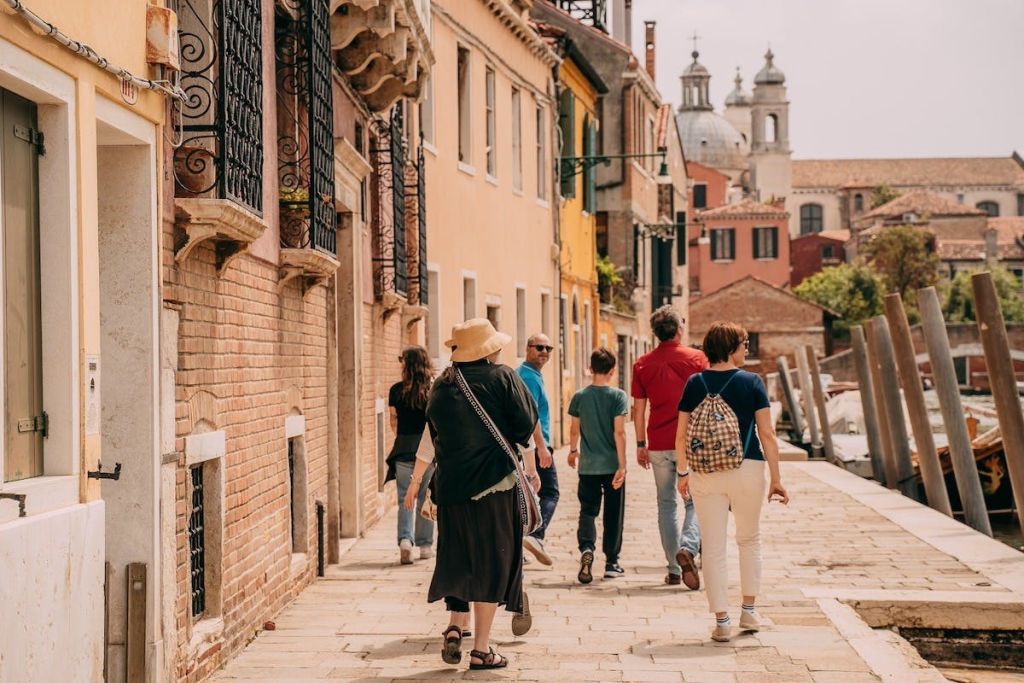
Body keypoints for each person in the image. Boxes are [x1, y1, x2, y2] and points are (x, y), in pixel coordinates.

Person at [424, 319, 541, 670]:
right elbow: (525, 425)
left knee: (459, 560)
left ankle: (454, 627)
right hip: (494, 487)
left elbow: (435, 436)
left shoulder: (442, 386)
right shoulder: (502, 377)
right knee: (491, 564)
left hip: (450, 490)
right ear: (488, 349)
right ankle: (481, 649)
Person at [675, 321, 790, 642]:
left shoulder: (695, 383)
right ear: (731, 348)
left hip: (705, 473)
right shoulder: (752, 382)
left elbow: (681, 435)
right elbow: (767, 434)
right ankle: (749, 611)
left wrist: (683, 472)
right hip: (748, 468)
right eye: (744, 344)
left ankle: (722, 621)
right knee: (749, 539)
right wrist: (776, 479)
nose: (746, 349)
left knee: (713, 547)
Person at [631, 305, 708, 588]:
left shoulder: (642, 364)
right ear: (678, 329)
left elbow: (638, 410)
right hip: (692, 443)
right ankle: (688, 547)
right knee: (695, 501)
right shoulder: (698, 359)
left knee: (666, 503)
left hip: (658, 442)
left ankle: (675, 569)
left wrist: (640, 443)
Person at [567, 348, 629, 584]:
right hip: (612, 466)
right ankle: (612, 562)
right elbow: (619, 432)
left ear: (591, 368)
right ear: (612, 371)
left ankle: (586, 547)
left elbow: (574, 429)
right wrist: (622, 465)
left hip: (588, 466)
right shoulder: (618, 396)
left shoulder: (579, 397)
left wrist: (573, 451)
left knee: (588, 511)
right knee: (613, 514)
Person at [386, 346, 435, 565]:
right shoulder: (432, 391)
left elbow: (393, 421)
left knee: (405, 498)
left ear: (408, 364)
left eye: (402, 360)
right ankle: (425, 546)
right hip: (428, 452)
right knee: (426, 498)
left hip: (403, 449)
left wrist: (402, 436)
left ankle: (406, 541)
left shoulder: (396, 390)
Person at [517, 333, 557, 566]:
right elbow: (530, 416)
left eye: (548, 348)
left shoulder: (528, 375)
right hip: (533, 445)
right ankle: (535, 535)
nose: (544, 352)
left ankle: (520, 545)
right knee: (550, 492)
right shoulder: (529, 378)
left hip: (527, 445)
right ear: (527, 348)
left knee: (525, 497)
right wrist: (542, 447)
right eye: (539, 347)